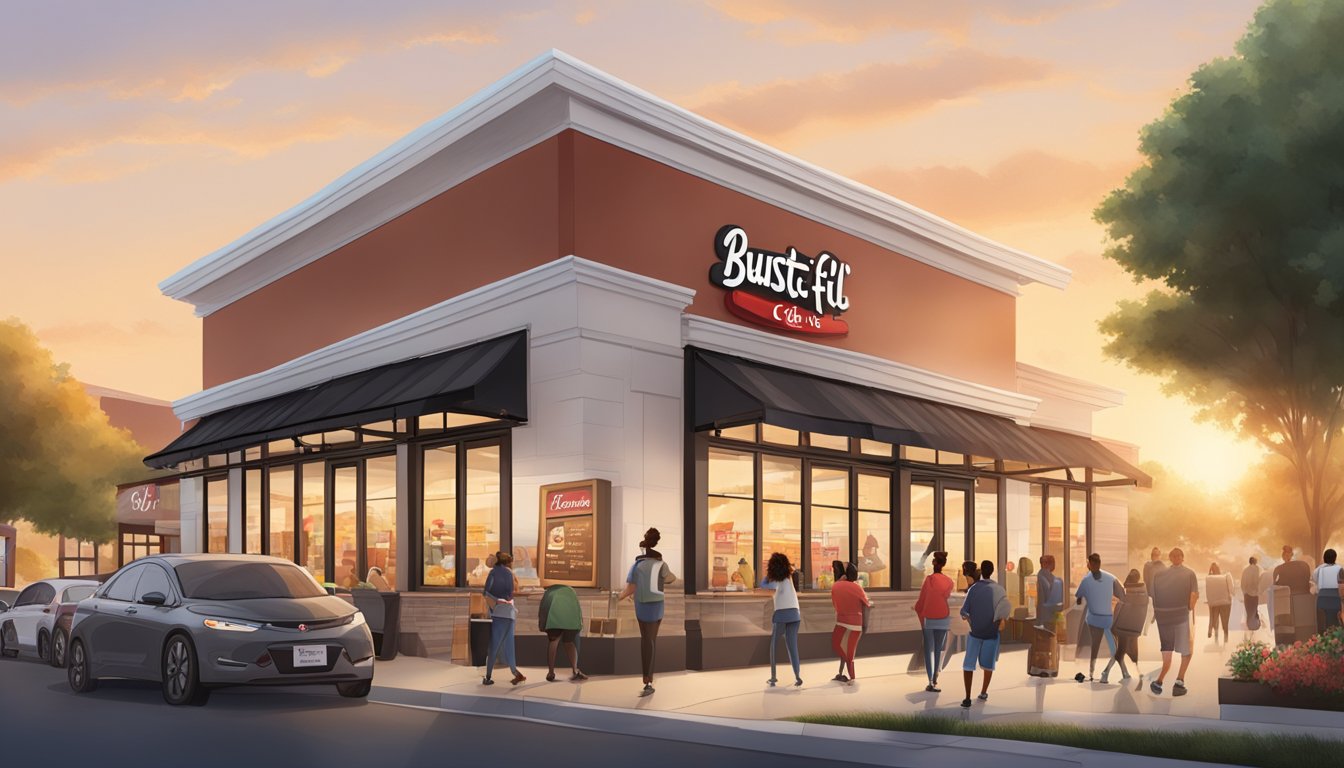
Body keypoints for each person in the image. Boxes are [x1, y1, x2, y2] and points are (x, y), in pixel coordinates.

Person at [618, 527, 676, 697]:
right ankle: (648, 677)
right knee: (651, 640)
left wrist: (618, 598)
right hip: (658, 606)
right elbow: (671, 578)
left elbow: (630, 588)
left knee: (646, 641)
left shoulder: (637, 565)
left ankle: (647, 680)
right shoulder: (660, 564)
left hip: (643, 606)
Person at [958, 560, 1008, 707]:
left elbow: (964, 612)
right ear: (992, 571)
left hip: (975, 633)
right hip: (991, 633)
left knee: (968, 665)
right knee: (988, 665)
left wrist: (971, 622)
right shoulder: (999, 589)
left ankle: (967, 697)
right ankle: (983, 692)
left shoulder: (973, 589)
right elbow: (1003, 612)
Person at [1150, 547, 1198, 696]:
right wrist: (1189, 609)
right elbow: (1193, 596)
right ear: (1182, 558)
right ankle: (1179, 681)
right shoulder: (1190, 574)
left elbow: (1154, 596)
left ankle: (1159, 682)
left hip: (1163, 617)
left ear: (1170, 558)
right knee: (1187, 650)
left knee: (1167, 650)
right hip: (1181, 615)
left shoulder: (1159, 574)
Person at [1073, 553, 1125, 683]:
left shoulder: (1086, 580)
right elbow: (1122, 595)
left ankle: (1092, 672)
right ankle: (1114, 672)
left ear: (1090, 564)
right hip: (1107, 619)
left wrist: (1083, 598)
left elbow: (1078, 597)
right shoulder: (1111, 577)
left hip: (1093, 619)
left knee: (1094, 645)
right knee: (1114, 648)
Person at [482, 551, 525, 686]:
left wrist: (493, 604)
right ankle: (516, 673)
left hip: (499, 613)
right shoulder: (510, 574)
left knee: (494, 646)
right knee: (509, 645)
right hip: (510, 613)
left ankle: (488, 676)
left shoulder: (493, 573)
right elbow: (511, 593)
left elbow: (486, 591)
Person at [913, 551, 953, 691]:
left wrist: (917, 608)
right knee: (938, 649)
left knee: (928, 650)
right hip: (943, 616)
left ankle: (930, 681)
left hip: (929, 617)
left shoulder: (929, 580)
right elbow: (945, 596)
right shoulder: (949, 581)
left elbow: (922, 599)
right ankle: (936, 676)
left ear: (934, 563)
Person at [762, 552, 803, 687]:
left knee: (773, 645)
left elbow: (763, 584)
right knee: (793, 646)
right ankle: (797, 676)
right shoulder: (789, 576)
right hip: (795, 614)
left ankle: (773, 677)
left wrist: (768, 575)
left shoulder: (774, 579)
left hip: (781, 614)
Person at [831, 561, 871, 684]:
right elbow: (867, 605)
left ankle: (842, 672)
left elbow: (835, 604)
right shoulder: (858, 587)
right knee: (851, 651)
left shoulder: (836, 586)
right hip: (856, 623)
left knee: (836, 644)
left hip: (841, 621)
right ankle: (852, 677)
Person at [538, 583, 587, 682]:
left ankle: (551, 672)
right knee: (569, 642)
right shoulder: (571, 591)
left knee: (553, 641)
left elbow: (543, 610)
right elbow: (578, 611)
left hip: (553, 618)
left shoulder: (549, 592)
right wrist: (579, 624)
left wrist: (542, 625)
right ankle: (575, 670)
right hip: (571, 620)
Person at [1029, 554, 1064, 678]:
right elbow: (1057, 603)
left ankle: (1038, 667)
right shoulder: (1054, 580)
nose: (1054, 565)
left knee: (1040, 643)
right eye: (1053, 562)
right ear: (1048, 564)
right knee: (1051, 642)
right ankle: (1050, 668)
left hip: (1041, 617)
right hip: (1051, 617)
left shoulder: (1040, 576)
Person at [1111, 569, 1148, 679]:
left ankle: (1114, 671)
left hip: (1123, 624)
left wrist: (1114, 623)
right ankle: (1134, 667)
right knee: (1132, 646)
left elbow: (1118, 607)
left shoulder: (1124, 591)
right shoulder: (1143, 592)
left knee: (1121, 649)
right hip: (1135, 625)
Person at [1274, 545, 1314, 644]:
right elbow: (1308, 581)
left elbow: (1275, 585)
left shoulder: (1279, 569)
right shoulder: (1304, 565)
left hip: (1287, 602)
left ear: (1283, 556)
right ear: (1292, 555)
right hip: (1304, 601)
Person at [1313, 548, 1342, 634]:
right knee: (1336, 622)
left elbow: (1316, 581)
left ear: (1324, 558)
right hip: (1337, 598)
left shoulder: (1319, 569)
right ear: (1335, 558)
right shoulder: (1340, 568)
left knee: (1324, 623)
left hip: (1323, 598)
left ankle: (1325, 640)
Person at [1205, 562, 1234, 644]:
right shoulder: (1224, 577)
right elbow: (1230, 588)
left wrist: (1209, 601)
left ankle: (1216, 639)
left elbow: (1208, 591)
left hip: (1214, 603)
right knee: (1225, 621)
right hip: (1225, 603)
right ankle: (1226, 639)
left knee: (1215, 620)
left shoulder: (1209, 578)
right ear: (1219, 568)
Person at [1141, 547, 1166, 636]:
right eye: (1153, 555)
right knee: (1149, 611)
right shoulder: (1147, 565)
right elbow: (1145, 579)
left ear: (1159, 556)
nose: (1155, 556)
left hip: (1159, 592)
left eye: (1157, 555)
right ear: (1151, 556)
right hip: (1150, 591)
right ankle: (1145, 631)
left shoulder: (1162, 565)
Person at [1240, 556, 1263, 632]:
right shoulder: (1258, 569)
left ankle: (1250, 627)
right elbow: (1259, 581)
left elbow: (1243, 583)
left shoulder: (1245, 570)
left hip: (1247, 594)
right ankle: (1255, 626)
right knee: (1254, 610)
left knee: (1249, 611)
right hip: (1255, 594)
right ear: (1255, 562)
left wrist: (1244, 593)